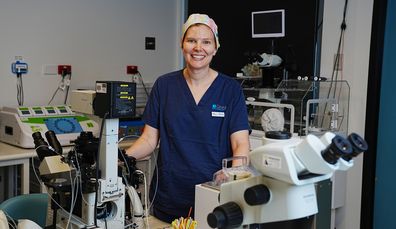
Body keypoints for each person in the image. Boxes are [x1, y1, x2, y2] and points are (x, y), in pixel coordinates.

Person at [125, 13, 250, 223]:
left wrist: (233, 174)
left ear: (215, 48)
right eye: (191, 40)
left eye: (206, 42)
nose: (198, 48)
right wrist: (122, 160)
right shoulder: (164, 86)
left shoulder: (230, 90)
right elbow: (148, 139)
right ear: (182, 45)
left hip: (215, 197)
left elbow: (240, 144)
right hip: (169, 196)